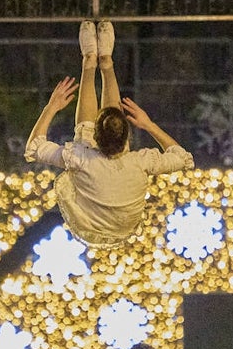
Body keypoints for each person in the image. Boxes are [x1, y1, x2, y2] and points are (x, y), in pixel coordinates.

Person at [25, 21, 194, 247]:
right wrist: (150, 125)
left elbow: (34, 148)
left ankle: (101, 61)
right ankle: (93, 61)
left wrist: (51, 108)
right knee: (85, 138)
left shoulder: (85, 157)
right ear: (127, 138)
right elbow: (183, 157)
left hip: (94, 216)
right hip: (114, 221)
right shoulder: (137, 163)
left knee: (84, 138)